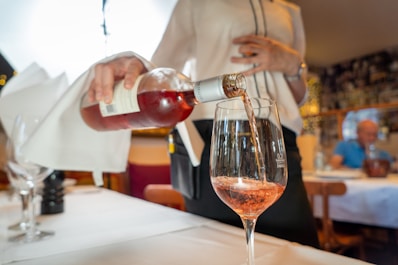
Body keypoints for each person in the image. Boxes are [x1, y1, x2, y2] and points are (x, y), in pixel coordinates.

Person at [88, 0, 319, 248]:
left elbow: (296, 96)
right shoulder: (195, 3)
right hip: (212, 136)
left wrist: (293, 63)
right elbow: (161, 65)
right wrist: (133, 72)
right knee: (217, 247)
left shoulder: (289, 12)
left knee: (297, 248)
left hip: (277, 136)